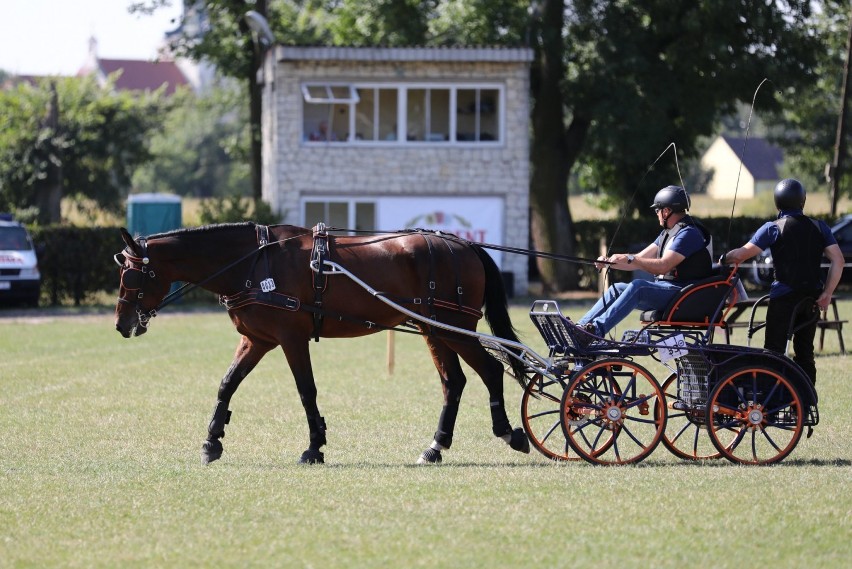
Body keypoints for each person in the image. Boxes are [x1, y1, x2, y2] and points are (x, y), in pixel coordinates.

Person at [723, 178, 843, 384]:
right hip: (811, 299)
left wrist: (723, 258)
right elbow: (838, 261)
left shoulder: (773, 228)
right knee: (805, 352)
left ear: (777, 203)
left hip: (784, 298)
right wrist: (827, 294)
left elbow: (741, 255)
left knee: (774, 352)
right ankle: (805, 404)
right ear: (802, 201)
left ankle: (772, 402)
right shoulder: (819, 227)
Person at [571, 185, 714, 343]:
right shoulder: (668, 233)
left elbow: (663, 265)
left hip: (683, 294)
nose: (657, 215)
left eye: (657, 210)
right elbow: (637, 260)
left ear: (666, 211)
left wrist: (632, 259)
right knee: (616, 289)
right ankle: (579, 328)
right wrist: (609, 262)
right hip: (670, 290)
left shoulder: (688, 234)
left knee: (638, 287)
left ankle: (595, 331)